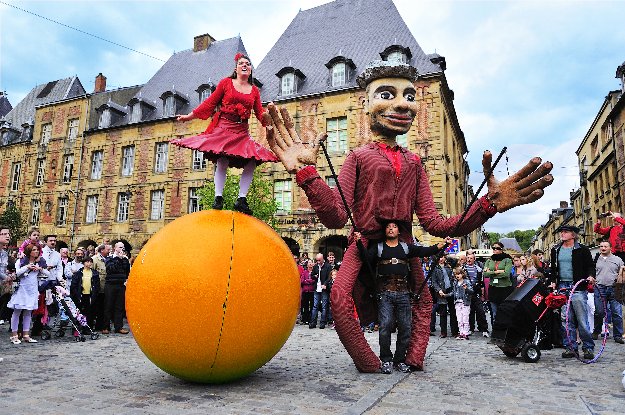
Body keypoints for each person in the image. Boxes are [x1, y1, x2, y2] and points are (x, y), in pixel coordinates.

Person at [265, 60, 554, 372]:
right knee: (339, 296)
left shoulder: (415, 163)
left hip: (404, 243)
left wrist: (488, 205)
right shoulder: (358, 157)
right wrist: (308, 174)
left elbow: (439, 225)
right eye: (387, 95)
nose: (402, 104)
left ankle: (413, 358)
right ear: (365, 104)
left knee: (423, 300)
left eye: (409, 96)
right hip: (364, 241)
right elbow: (336, 216)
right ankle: (368, 361)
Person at [172, 52, 277, 215]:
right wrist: (189, 117)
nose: (245, 65)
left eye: (248, 64)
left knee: (252, 161)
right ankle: (218, 197)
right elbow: (210, 103)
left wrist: (270, 121)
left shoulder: (254, 90)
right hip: (224, 127)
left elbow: (259, 112)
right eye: (242, 63)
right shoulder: (226, 83)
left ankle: (241, 199)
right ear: (236, 68)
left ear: (250, 70)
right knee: (222, 159)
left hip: (242, 131)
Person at [357, 223, 450, 373]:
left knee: (405, 327)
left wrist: (443, 244)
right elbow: (366, 258)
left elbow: (425, 250)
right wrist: (358, 242)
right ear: (385, 231)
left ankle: (399, 360)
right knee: (385, 326)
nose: (391, 229)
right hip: (385, 292)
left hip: (403, 293)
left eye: (394, 227)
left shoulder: (406, 248)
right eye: (388, 227)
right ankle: (386, 359)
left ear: (399, 231)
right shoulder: (379, 248)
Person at [550, 224, 595, 359]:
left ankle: (588, 348)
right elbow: (553, 268)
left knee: (581, 319)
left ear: (573, 235)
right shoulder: (556, 250)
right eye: (561, 232)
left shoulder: (582, 250)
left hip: (578, 287)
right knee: (566, 319)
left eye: (565, 232)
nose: (562, 234)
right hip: (562, 287)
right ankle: (570, 347)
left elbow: (590, 266)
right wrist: (553, 281)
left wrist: (591, 276)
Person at [8, 244, 50, 344]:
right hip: (22, 289)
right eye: (34, 250)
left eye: (37, 250)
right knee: (17, 311)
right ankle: (14, 335)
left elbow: (48, 274)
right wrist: (27, 267)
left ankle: (26, 334)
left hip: (32, 289)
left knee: (28, 312)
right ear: (29, 251)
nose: (36, 251)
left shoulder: (39, 262)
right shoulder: (21, 261)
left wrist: (39, 269)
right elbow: (17, 273)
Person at [592, 240, 625, 343]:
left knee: (617, 313)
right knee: (599, 312)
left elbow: (623, 273)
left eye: (605, 246)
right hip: (599, 288)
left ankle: (618, 335)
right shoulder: (596, 259)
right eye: (601, 246)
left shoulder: (618, 259)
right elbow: (591, 272)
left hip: (614, 288)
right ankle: (596, 331)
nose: (603, 248)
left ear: (610, 248)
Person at [103, 242, 130, 334]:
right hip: (110, 285)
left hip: (121, 285)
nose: (122, 249)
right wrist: (119, 258)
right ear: (115, 248)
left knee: (119, 307)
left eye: (123, 247)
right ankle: (106, 327)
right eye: (120, 247)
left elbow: (127, 271)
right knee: (108, 305)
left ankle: (118, 327)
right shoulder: (109, 258)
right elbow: (111, 269)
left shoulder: (125, 259)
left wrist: (123, 259)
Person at [482, 243, 513, 324]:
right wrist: (498, 271)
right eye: (493, 248)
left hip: (505, 289)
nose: (495, 250)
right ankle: (495, 331)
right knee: (494, 312)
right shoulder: (489, 260)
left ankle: (504, 331)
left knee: (504, 312)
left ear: (501, 249)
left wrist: (491, 273)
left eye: (497, 248)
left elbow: (506, 274)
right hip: (493, 288)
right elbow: (485, 274)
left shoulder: (507, 260)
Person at [431, 255, 457, 338]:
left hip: (450, 290)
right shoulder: (435, 268)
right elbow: (434, 281)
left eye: (442, 257)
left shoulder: (449, 266)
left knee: (453, 312)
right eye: (439, 257)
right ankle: (443, 332)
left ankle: (454, 331)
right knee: (443, 313)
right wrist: (439, 290)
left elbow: (455, 260)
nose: (441, 259)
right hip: (441, 291)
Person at [70, 256, 100, 330]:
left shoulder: (94, 273)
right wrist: (76, 294)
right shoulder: (79, 273)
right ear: (83, 263)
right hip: (81, 295)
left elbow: (97, 285)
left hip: (90, 295)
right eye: (87, 261)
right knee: (79, 312)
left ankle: (88, 328)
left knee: (89, 312)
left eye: (90, 262)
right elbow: (74, 285)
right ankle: (78, 328)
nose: (89, 263)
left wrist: (95, 294)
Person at [464, 252, 489, 337]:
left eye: (471, 258)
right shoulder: (463, 268)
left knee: (480, 311)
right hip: (467, 292)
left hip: (476, 291)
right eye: (468, 258)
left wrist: (482, 292)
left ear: (474, 259)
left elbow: (481, 282)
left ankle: (484, 329)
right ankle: (471, 328)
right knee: (470, 311)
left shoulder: (478, 269)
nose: (469, 260)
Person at [309, 253, 332, 329]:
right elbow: (312, 275)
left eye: (319, 260)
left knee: (324, 306)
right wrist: (314, 276)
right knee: (315, 306)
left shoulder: (328, 266)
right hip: (317, 288)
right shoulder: (315, 266)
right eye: (317, 260)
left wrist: (325, 284)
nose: (318, 262)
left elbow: (329, 277)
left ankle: (322, 322)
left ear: (322, 259)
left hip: (324, 288)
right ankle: (313, 322)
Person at [92, 244, 111, 332]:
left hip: (106, 287)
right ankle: (98, 325)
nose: (109, 251)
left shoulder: (108, 259)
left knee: (105, 307)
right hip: (98, 288)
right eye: (108, 249)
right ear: (102, 250)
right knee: (98, 308)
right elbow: (92, 273)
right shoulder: (95, 259)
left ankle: (104, 325)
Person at [452, 266, 473, 340]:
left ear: (462, 274)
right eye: (456, 274)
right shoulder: (455, 283)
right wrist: (446, 295)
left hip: (465, 302)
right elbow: (453, 292)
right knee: (459, 319)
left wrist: (466, 289)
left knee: (465, 318)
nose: (457, 276)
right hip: (457, 302)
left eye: (459, 274)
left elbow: (471, 291)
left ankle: (466, 333)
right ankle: (461, 332)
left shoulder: (466, 282)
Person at [0, 225, 15, 325]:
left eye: (8, 234)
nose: (7, 236)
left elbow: (4, 269)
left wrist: (10, 275)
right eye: (4, 234)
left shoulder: (4, 253)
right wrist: (6, 277)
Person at [300, 259, 315, 325]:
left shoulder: (314, 272)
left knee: (312, 306)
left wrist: (307, 281)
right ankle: (305, 319)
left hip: (312, 291)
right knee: (305, 306)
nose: (310, 264)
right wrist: (309, 281)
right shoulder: (304, 272)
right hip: (305, 291)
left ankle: (311, 319)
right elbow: (302, 281)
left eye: (311, 263)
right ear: (307, 264)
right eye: (309, 263)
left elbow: (314, 280)